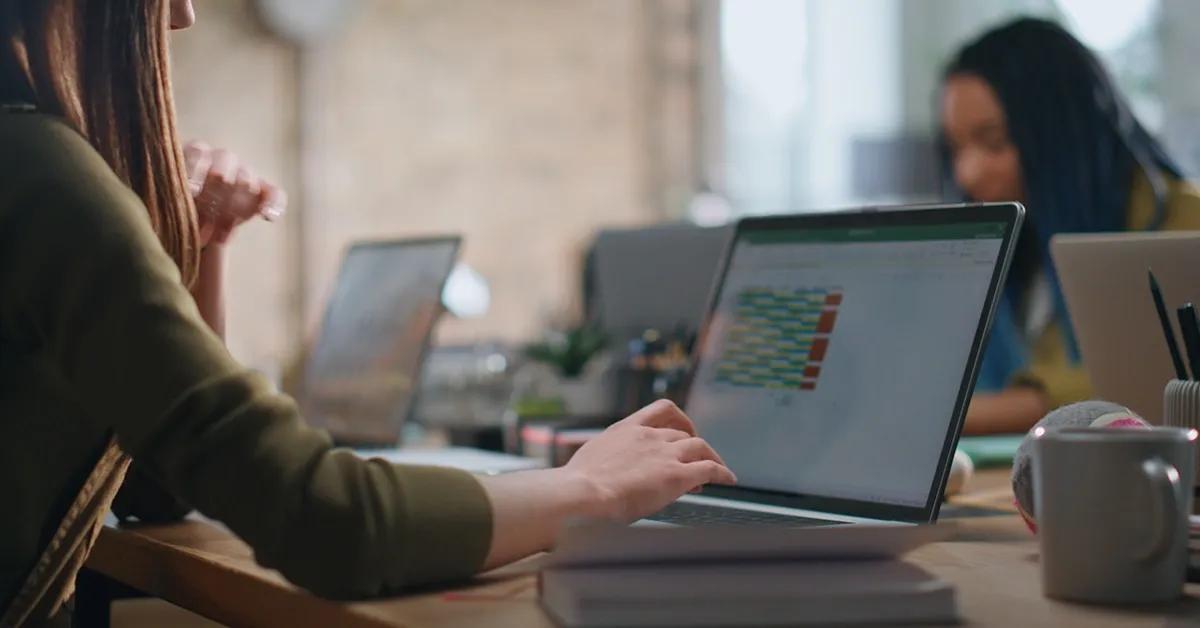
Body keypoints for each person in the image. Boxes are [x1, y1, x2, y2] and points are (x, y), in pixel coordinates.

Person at [0, 1, 736, 624]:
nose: (184, 13)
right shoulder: (42, 172)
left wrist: (196, 248)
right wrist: (588, 487)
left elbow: (155, 483)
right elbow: (328, 525)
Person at [938, 17, 1200, 435]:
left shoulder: (1184, 222)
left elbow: (1152, 380)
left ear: (1062, 132)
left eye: (994, 142)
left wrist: (953, 418)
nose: (966, 174)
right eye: (956, 148)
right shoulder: (1017, 241)